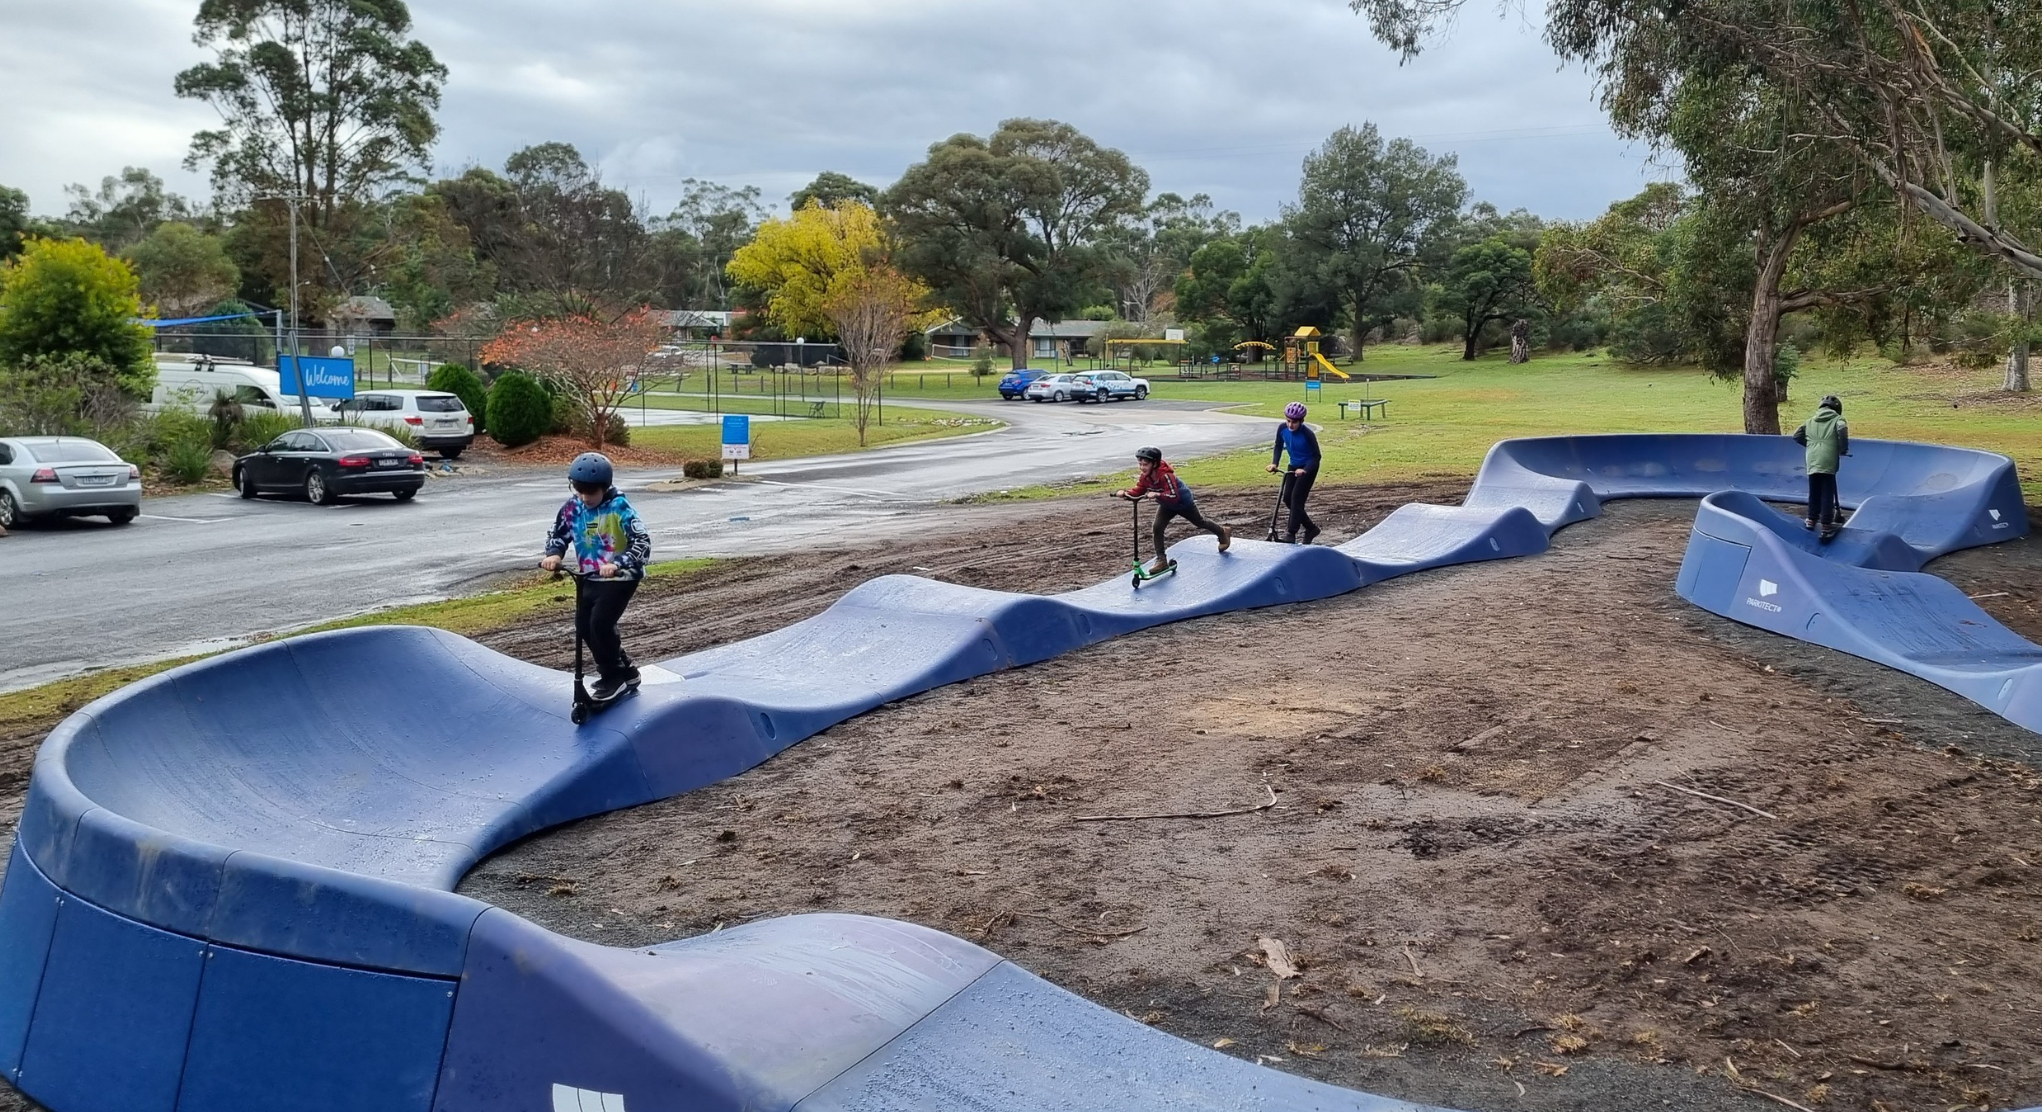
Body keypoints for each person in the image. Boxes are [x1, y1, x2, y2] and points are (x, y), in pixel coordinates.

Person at [540, 452, 652, 698]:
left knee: (600, 623)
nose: (584, 497)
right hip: (589, 575)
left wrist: (618, 563)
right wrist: (554, 554)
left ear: (605, 487)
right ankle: (627, 672)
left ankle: (612, 677)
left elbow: (642, 543)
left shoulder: (620, 507)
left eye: (590, 493)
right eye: (579, 491)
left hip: (621, 577)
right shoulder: (573, 507)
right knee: (583, 627)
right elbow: (559, 533)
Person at [1113, 446, 1231, 573]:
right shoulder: (1145, 477)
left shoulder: (1166, 476)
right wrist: (1125, 494)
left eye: (1145, 464)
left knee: (1200, 522)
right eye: (1140, 464)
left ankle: (1222, 532)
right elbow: (1139, 490)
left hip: (1182, 503)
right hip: (1166, 505)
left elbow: (1174, 496)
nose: (1142, 467)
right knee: (1157, 527)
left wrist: (1157, 494)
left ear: (1154, 463)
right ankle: (1161, 560)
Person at [1791, 394, 1850, 542]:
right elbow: (1842, 432)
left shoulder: (1810, 421)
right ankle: (1826, 525)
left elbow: (1796, 436)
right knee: (1827, 492)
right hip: (1828, 457)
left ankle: (1811, 519)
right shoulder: (1838, 419)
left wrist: (1811, 445)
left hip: (1812, 458)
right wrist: (1842, 449)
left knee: (1814, 490)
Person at [1266, 401, 1321, 544]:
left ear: (1301, 421)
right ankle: (1311, 528)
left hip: (1308, 467)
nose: (1291, 425)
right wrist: (1274, 463)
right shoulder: (1282, 429)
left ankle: (1291, 534)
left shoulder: (1308, 434)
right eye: (1288, 421)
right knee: (1287, 499)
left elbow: (1316, 456)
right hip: (1293, 466)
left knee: (1297, 499)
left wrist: (1305, 470)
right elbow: (1278, 446)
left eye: (1294, 422)